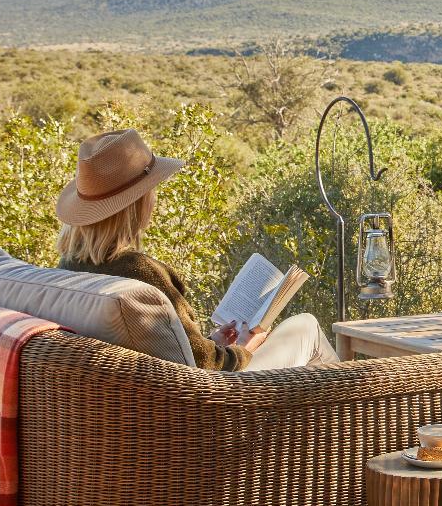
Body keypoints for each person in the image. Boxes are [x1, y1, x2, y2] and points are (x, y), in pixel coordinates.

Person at [55, 128, 332, 370]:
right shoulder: (139, 272)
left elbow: (174, 351)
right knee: (306, 327)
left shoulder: (68, 269)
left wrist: (212, 342)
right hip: (214, 399)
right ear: (136, 204)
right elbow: (205, 367)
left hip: (155, 397)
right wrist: (244, 348)